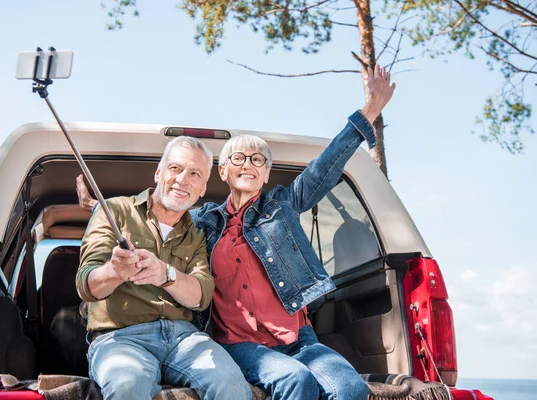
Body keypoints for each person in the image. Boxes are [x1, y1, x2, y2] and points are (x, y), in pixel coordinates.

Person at [78, 64, 395, 400]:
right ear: (223, 172)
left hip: (297, 338)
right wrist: (101, 207)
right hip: (240, 342)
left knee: (350, 388)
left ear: (268, 173)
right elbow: (165, 209)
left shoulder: (282, 207)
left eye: (258, 160)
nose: (248, 164)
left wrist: (369, 111)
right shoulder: (203, 223)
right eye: (239, 157)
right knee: (296, 381)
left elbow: (324, 169)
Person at [76, 136, 251, 400]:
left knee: (233, 386)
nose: (183, 180)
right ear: (159, 172)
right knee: (127, 385)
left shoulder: (197, 235)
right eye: (175, 168)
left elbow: (201, 295)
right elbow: (86, 283)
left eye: (195, 174)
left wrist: (165, 274)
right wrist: (115, 272)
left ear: (203, 188)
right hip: (120, 338)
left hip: (184, 338)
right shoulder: (114, 211)